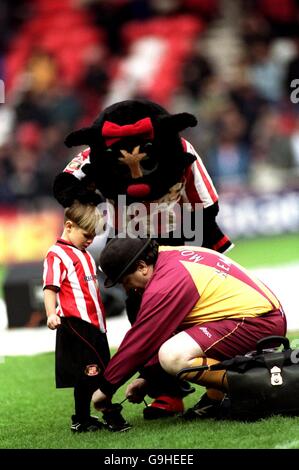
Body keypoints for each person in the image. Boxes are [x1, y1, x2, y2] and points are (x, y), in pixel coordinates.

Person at [91, 236, 287, 420]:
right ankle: (217, 396)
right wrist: (147, 378)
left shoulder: (165, 283)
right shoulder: (169, 255)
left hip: (257, 322)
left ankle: (259, 388)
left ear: (142, 266)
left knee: (173, 355)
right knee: (177, 342)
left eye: (125, 281)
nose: (127, 289)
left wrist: (106, 388)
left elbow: (141, 340)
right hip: (255, 317)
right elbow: (162, 334)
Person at [43, 201, 131, 432]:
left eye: (94, 236)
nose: (90, 240)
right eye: (87, 234)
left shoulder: (86, 255)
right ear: (69, 226)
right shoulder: (56, 255)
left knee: (93, 372)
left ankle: (81, 419)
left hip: (95, 325)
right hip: (76, 325)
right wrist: (51, 313)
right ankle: (110, 414)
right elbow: (50, 287)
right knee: (95, 372)